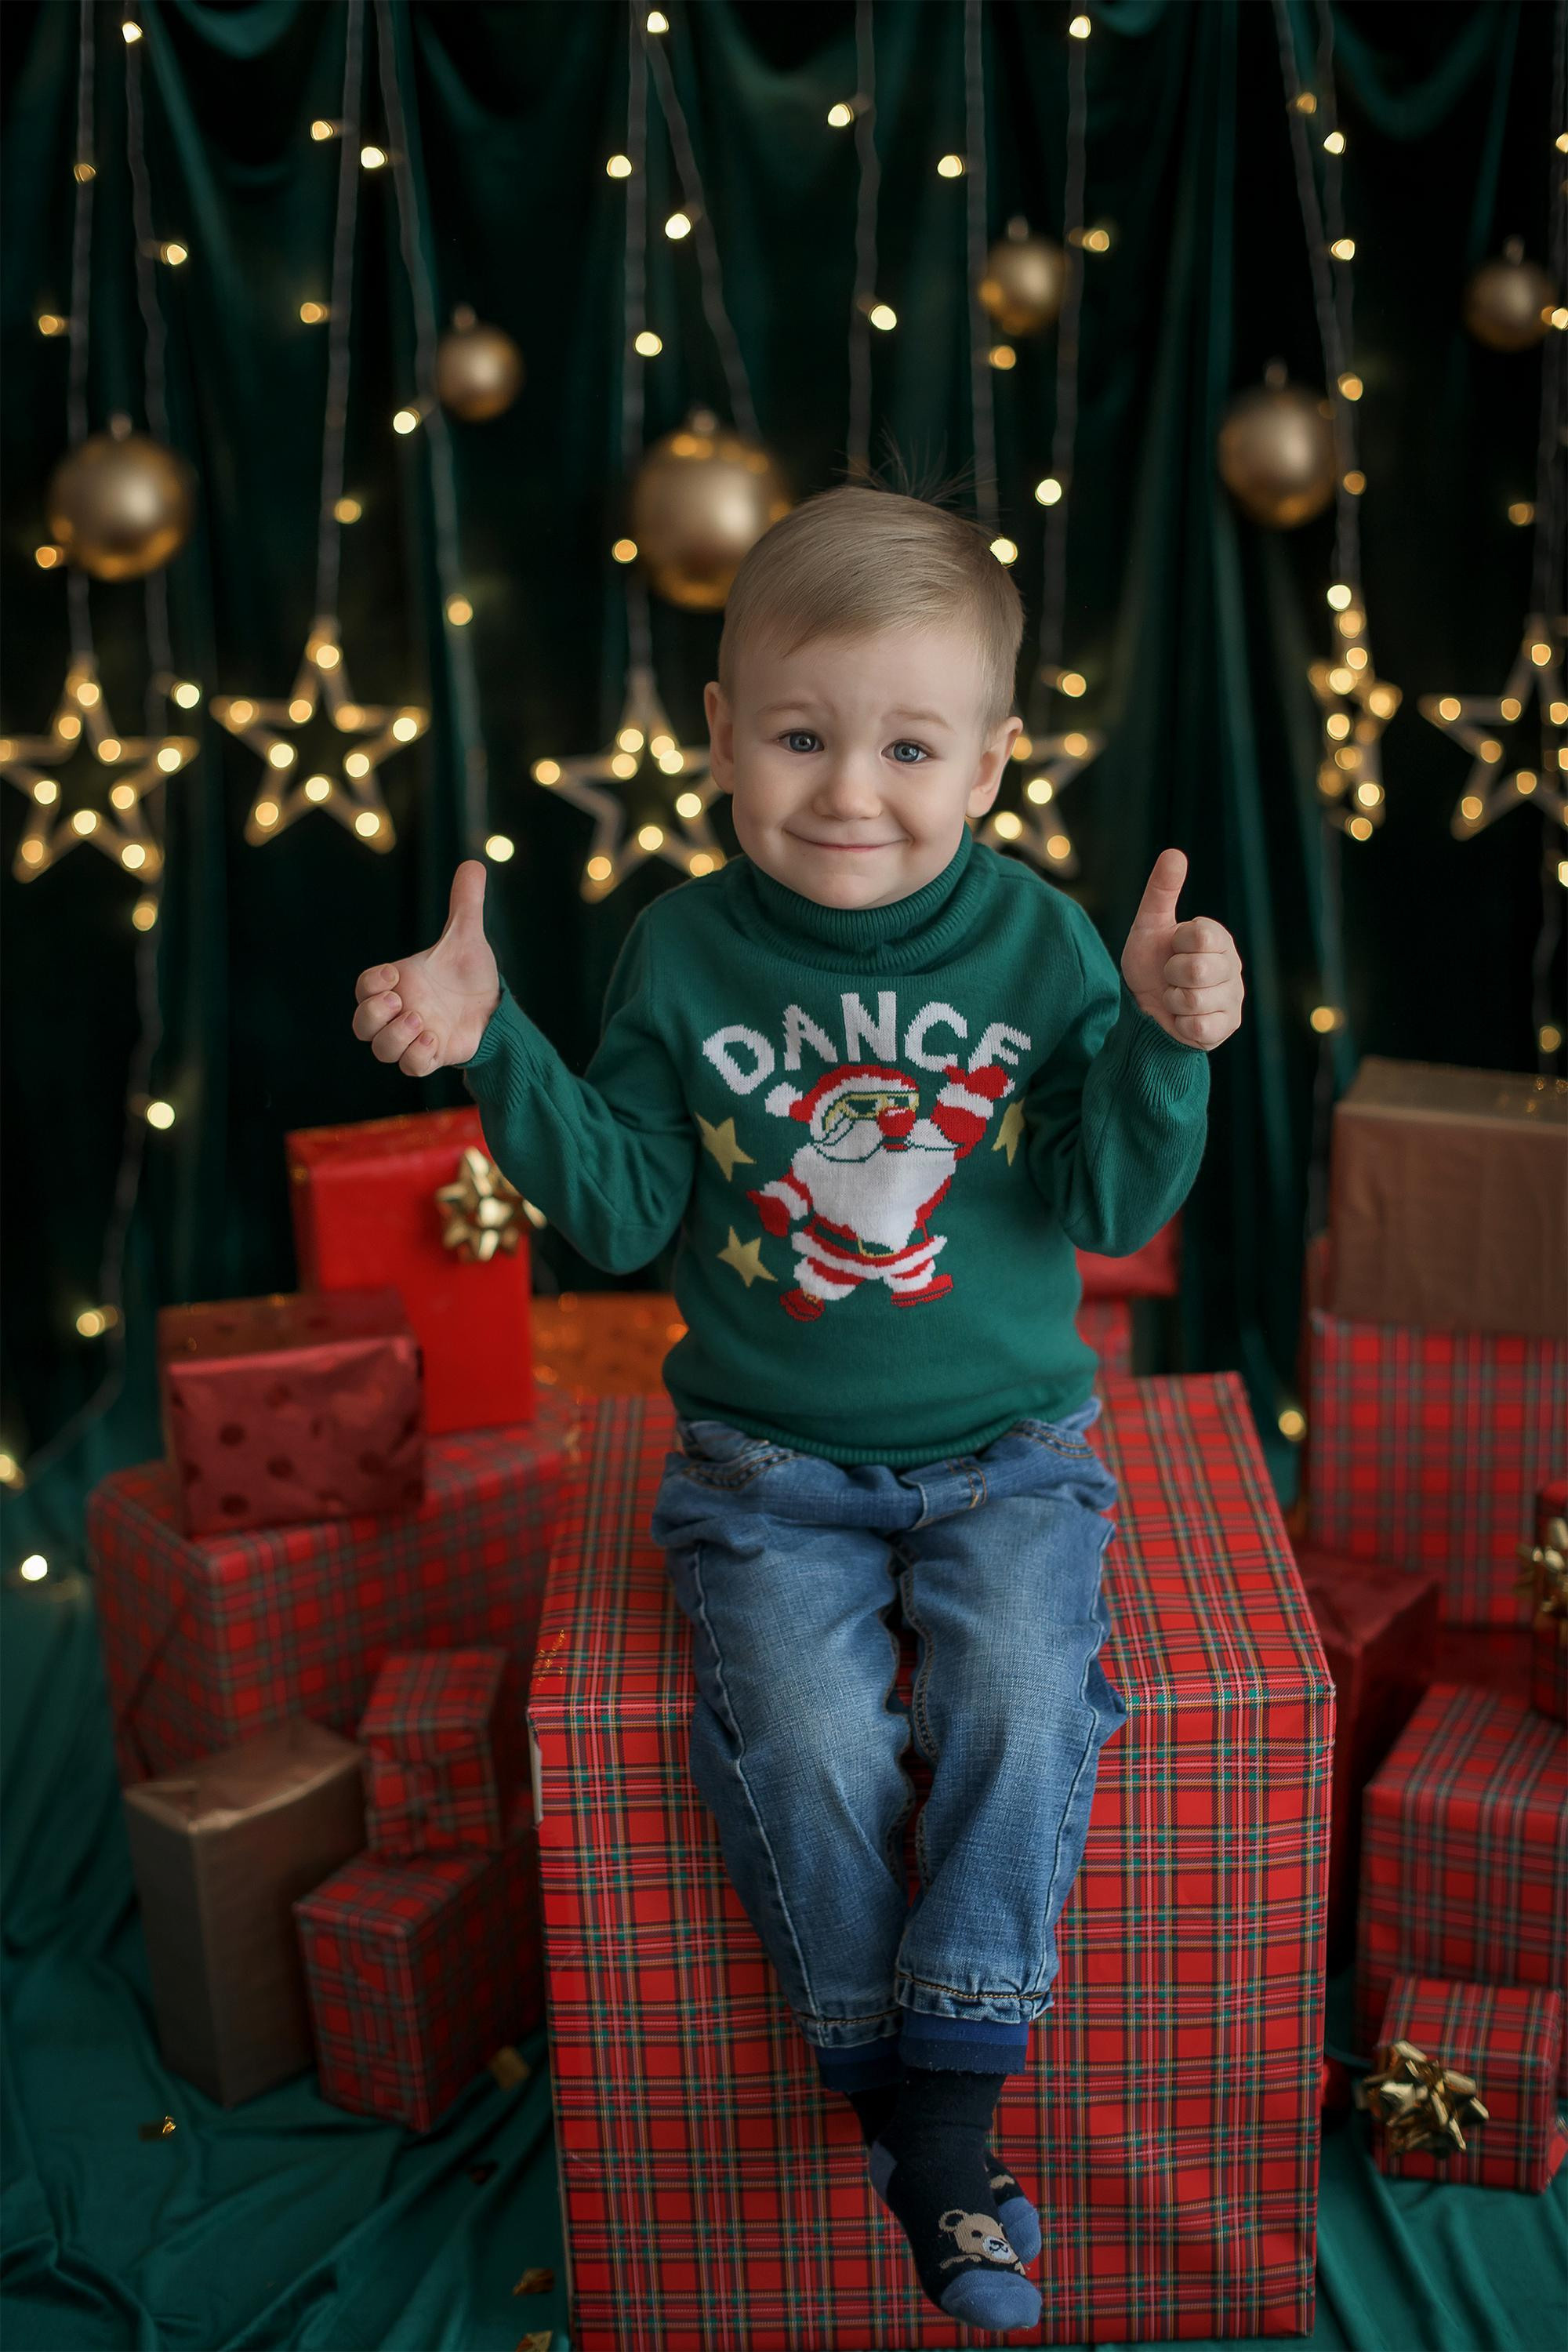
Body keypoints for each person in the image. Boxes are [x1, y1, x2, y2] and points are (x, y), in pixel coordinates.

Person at [351, 485, 1244, 2334]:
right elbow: (620, 1211)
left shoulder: (1039, 948)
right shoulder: (681, 953)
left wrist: (1165, 1046)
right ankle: (906, 2114)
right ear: (718, 735)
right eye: (800, 735)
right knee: (809, 1727)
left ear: (989, 763)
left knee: (1019, 1691)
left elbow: (1106, 1202)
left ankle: (950, 2099)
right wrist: (495, 1044)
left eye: (909, 747)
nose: (851, 791)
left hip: (1011, 1457)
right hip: (766, 1466)